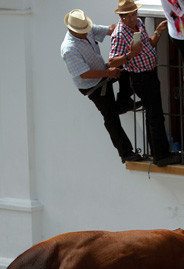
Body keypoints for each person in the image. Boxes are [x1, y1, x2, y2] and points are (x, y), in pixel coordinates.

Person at [61, 9, 142, 164]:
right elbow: (83, 74)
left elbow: (110, 30)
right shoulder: (69, 49)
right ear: (71, 30)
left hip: (103, 72)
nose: (86, 33)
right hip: (92, 85)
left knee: (127, 69)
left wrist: (127, 23)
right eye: (81, 32)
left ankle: (123, 102)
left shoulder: (87, 29)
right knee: (110, 117)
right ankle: (126, 153)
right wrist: (107, 73)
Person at [109, 0, 180, 167]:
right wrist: (129, 55)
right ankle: (161, 156)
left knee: (153, 115)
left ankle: (159, 153)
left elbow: (149, 44)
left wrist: (158, 31)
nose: (134, 18)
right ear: (122, 17)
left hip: (149, 74)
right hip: (140, 78)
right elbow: (112, 61)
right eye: (130, 15)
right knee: (155, 116)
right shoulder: (119, 34)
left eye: (134, 14)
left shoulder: (139, 23)